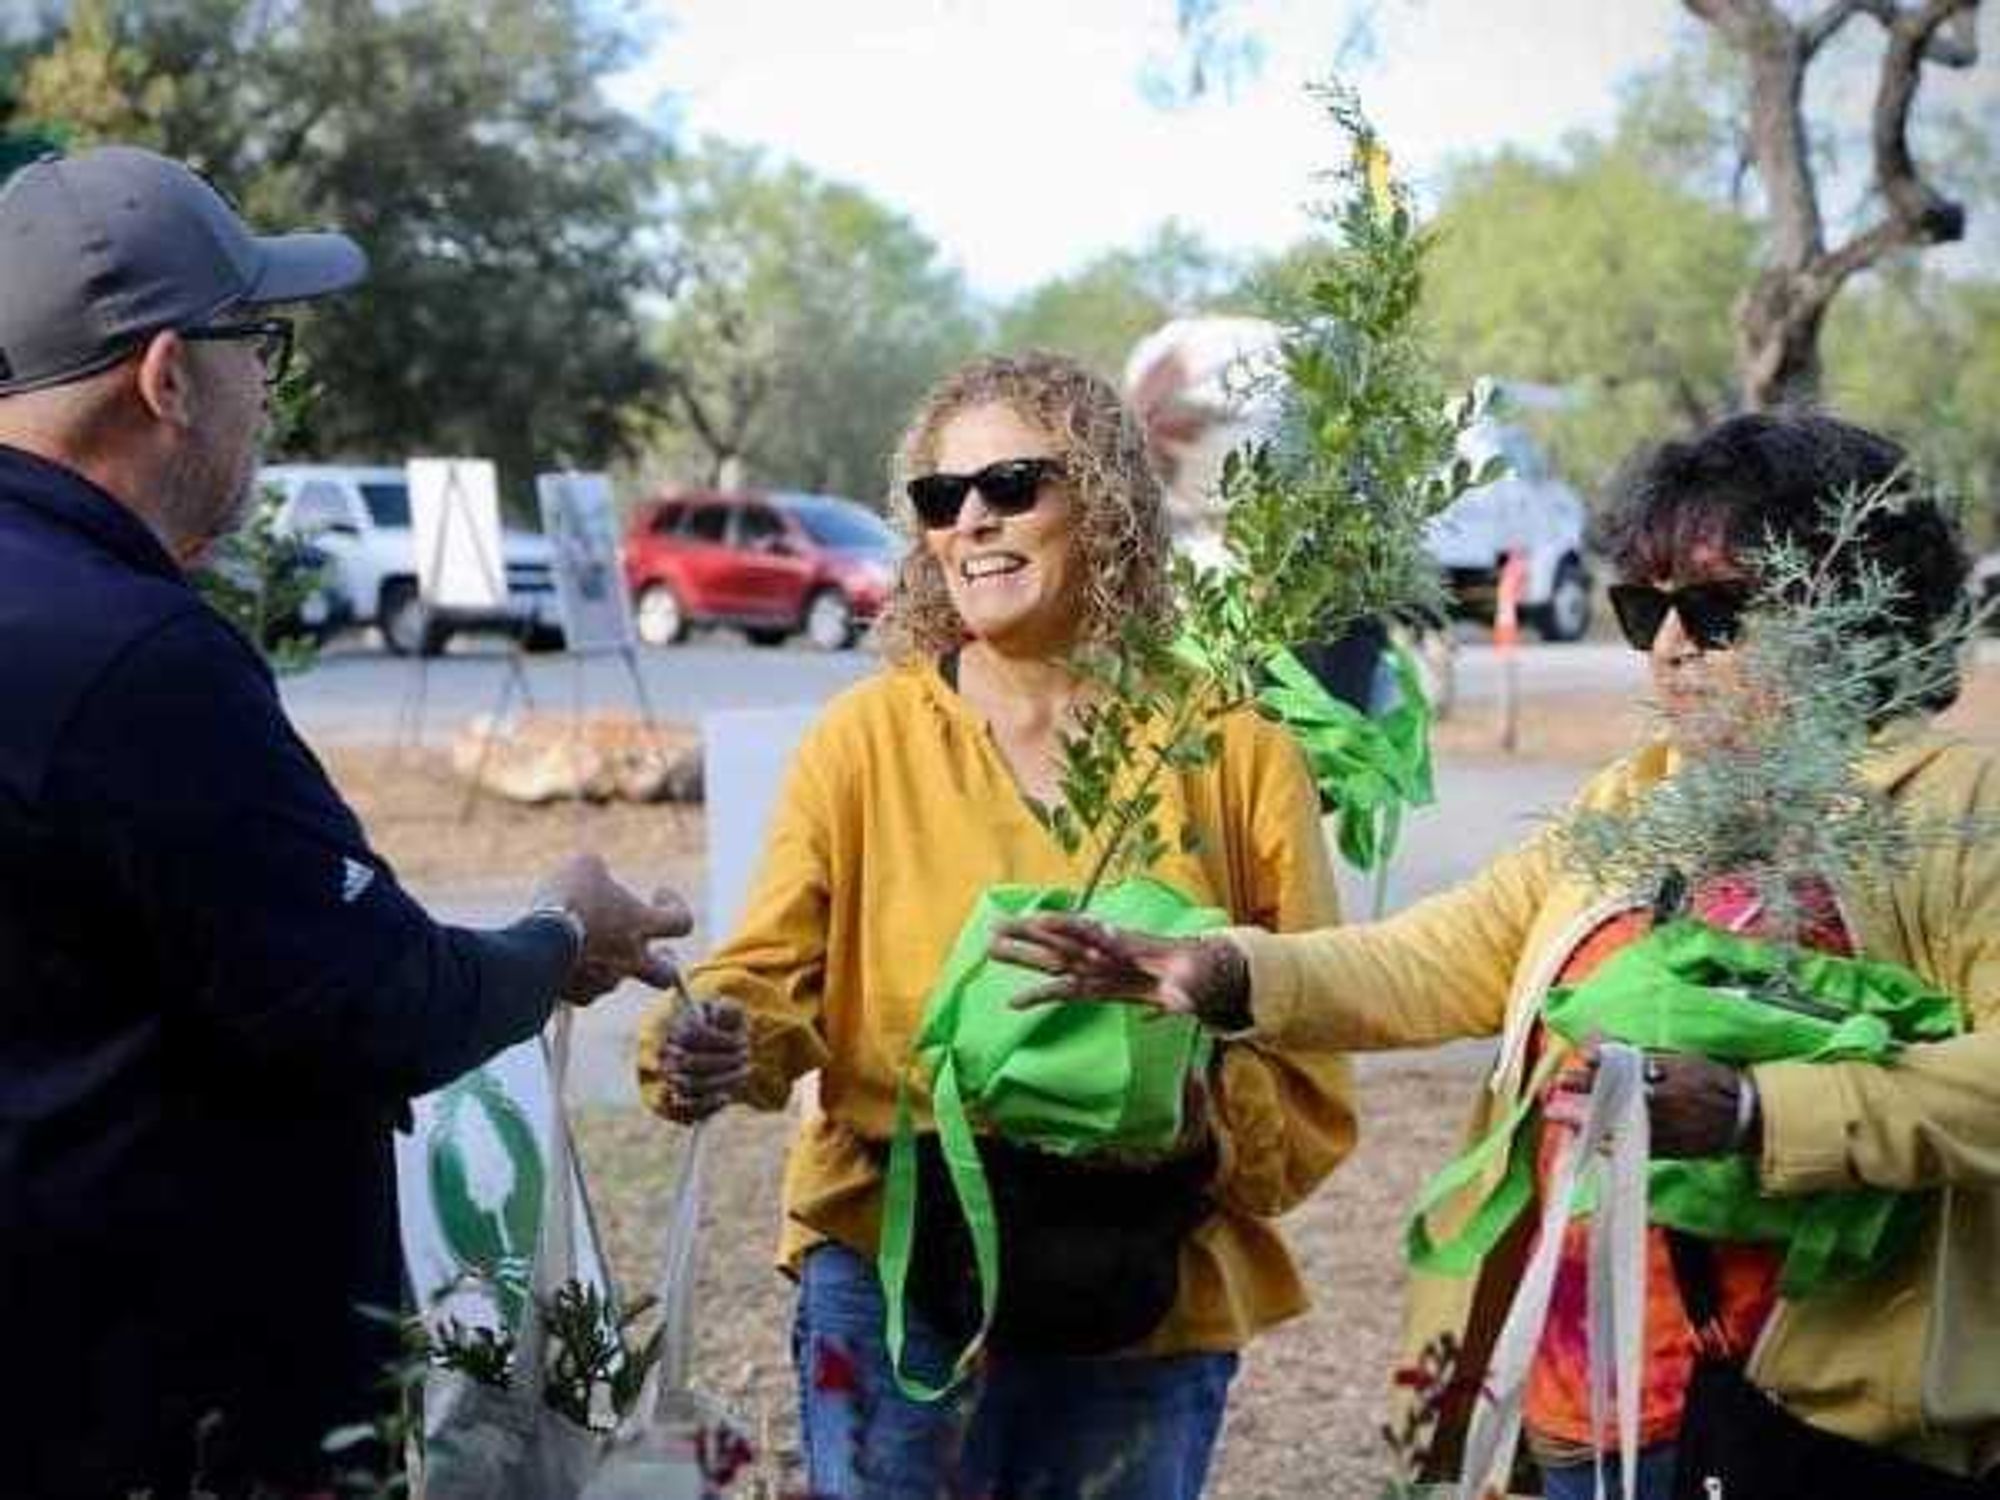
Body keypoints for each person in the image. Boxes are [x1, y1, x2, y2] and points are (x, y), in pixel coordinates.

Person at [993, 412, 2000, 1496]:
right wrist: (1224, 974)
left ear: (1851, 616)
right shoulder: (1638, 801)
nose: (1665, 647)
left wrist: (1758, 1111)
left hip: (1802, 1432)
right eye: (1641, 607)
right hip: (1573, 1413)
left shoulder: (1953, 813)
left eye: (1714, 612)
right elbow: (1442, 954)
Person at [0, 146, 693, 1498]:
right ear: (165, 377)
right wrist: (564, 931)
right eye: (259, 342)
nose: (274, 389)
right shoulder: (131, 657)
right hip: (163, 1416)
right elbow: (381, 1000)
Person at [638, 351, 1357, 1499]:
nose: (970, 519)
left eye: (1012, 485)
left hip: (1141, 1288)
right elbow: (766, 974)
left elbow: (1313, 1040)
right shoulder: (861, 742)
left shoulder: (1232, 751)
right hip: (891, 1267)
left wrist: (1189, 1115)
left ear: (1109, 501)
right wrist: (718, 1036)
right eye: (940, 497)